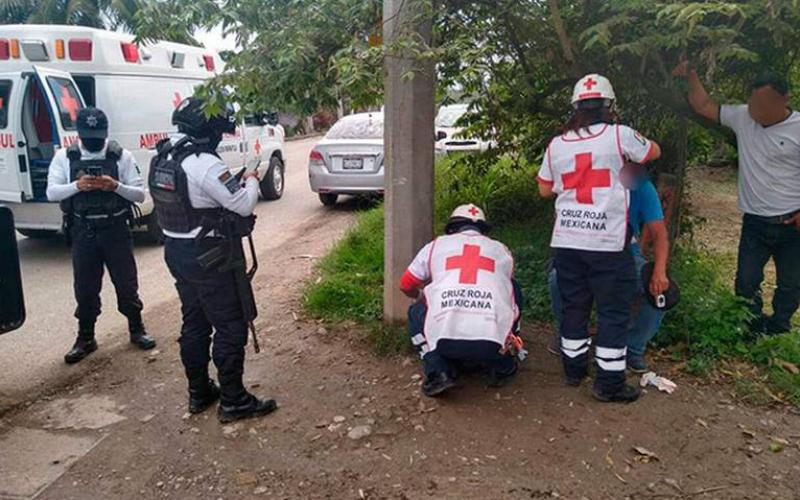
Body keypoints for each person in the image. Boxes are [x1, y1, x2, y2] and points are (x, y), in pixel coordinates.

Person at [149, 96, 276, 423]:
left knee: (195, 322)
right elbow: (243, 205)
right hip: (210, 257)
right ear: (210, 131)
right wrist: (250, 179)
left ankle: (199, 392)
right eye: (220, 131)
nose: (222, 137)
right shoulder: (205, 163)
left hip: (177, 252)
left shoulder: (164, 155)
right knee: (231, 325)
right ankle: (233, 400)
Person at [537, 74, 663, 403]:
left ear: (575, 108)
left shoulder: (557, 144)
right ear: (610, 107)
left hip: (566, 242)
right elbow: (653, 152)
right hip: (607, 245)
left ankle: (573, 371)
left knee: (574, 307)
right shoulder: (620, 137)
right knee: (612, 312)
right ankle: (608, 384)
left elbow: (544, 188)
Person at [673, 62, 800, 335]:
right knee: (746, 281)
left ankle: (779, 328)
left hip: (791, 224)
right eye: (753, 104)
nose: (756, 112)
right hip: (754, 221)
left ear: (784, 99)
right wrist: (692, 77)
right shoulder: (744, 117)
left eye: (763, 106)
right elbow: (704, 105)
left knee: (791, 283)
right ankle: (752, 329)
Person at [47, 107, 155, 364]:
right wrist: (77, 186)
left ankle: (136, 328)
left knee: (126, 283)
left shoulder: (121, 156)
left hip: (115, 228)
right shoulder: (65, 156)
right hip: (83, 229)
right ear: (79, 134)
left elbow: (140, 194)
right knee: (85, 287)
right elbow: (51, 192)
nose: (93, 141)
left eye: (97, 135)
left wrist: (115, 186)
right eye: (88, 136)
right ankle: (86, 337)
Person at [548, 172, 670, 373]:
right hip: (584, 248)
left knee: (660, 291)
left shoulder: (639, 185)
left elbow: (660, 233)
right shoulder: (582, 179)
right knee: (557, 279)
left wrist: (660, 271)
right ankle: (569, 336)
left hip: (626, 252)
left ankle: (633, 348)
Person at [400, 204, 523, 397]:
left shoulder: (435, 246)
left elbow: (406, 284)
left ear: (452, 228)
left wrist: (422, 298)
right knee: (512, 290)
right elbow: (504, 288)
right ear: (483, 230)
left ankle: (438, 371)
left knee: (415, 312)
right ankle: (502, 365)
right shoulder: (501, 250)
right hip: (490, 343)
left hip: (445, 342)